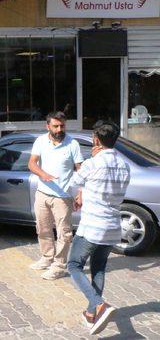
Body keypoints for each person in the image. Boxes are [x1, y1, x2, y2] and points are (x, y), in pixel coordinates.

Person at [67, 121, 130, 335]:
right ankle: (92, 314)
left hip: (93, 225)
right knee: (99, 268)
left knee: (74, 265)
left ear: (96, 139)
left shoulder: (94, 162)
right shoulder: (124, 165)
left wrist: (91, 159)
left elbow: (73, 180)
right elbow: (103, 188)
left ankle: (99, 303)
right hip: (113, 226)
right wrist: (86, 193)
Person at [28, 111, 83, 280]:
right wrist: (43, 174)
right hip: (42, 193)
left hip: (63, 197)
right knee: (43, 228)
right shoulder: (40, 141)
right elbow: (32, 163)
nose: (59, 129)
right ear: (48, 126)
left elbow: (81, 170)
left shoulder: (72, 144)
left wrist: (80, 193)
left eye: (62, 126)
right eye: (56, 126)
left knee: (64, 233)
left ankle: (59, 266)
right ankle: (47, 258)